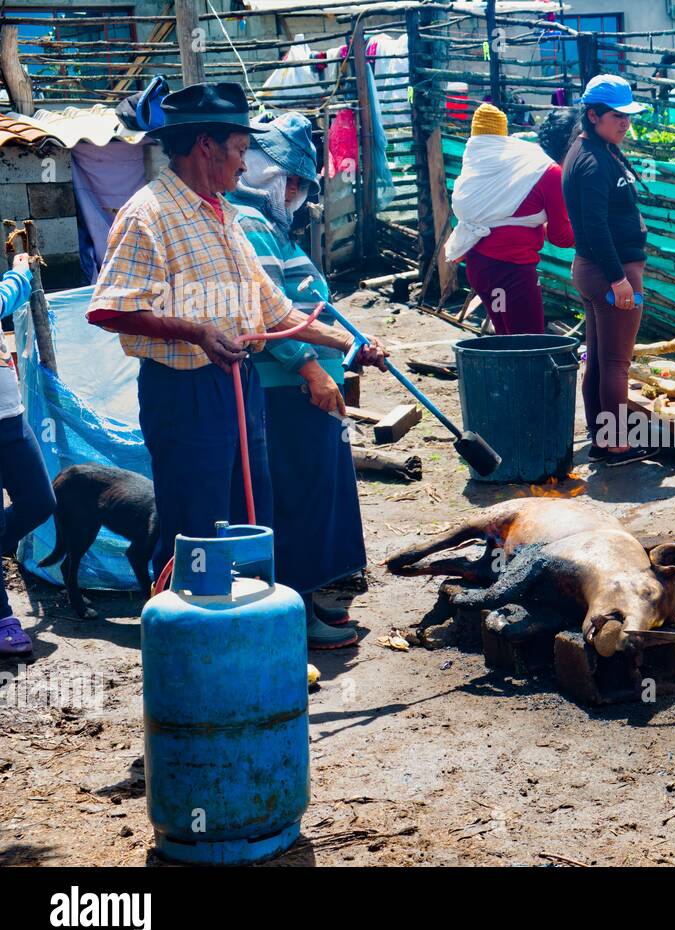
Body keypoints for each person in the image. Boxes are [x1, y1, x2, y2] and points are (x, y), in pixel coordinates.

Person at [86, 83, 386, 580]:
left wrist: (351, 344)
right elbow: (110, 310)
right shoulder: (149, 215)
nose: (245, 166)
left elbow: (275, 311)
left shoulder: (224, 215)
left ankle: (249, 621)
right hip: (185, 393)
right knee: (197, 522)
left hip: (237, 387)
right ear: (207, 145)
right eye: (241, 151)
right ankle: (195, 633)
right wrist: (195, 331)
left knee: (250, 514)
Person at [227, 111, 366, 648]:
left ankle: (307, 605)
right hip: (287, 388)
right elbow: (267, 316)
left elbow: (297, 303)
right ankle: (295, 612)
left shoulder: (261, 221)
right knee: (298, 500)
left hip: (300, 385)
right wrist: (311, 367)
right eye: (292, 182)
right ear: (264, 173)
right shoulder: (251, 223)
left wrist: (351, 344)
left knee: (309, 495)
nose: (298, 195)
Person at [562, 74, 652, 467]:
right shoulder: (593, 161)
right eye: (618, 116)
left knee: (599, 359)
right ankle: (616, 445)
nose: (625, 123)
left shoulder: (593, 149)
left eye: (628, 116)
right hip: (608, 271)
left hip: (595, 269)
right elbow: (595, 226)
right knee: (616, 363)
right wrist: (619, 279)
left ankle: (601, 436)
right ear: (594, 114)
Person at [444, 103, 573, 336]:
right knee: (527, 343)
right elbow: (561, 237)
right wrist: (594, 233)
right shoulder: (547, 172)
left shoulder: (495, 169)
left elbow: (508, 218)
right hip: (512, 272)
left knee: (505, 337)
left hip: (480, 267)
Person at [0, 254, 57, 659]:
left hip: (10, 417)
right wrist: (20, 272)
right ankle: (2, 619)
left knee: (40, 501)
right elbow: (5, 296)